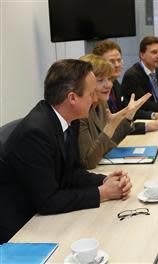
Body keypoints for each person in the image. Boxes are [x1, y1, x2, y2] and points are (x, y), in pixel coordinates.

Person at [0, 60, 132, 243]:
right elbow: (48, 201)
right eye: (91, 94)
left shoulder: (70, 119)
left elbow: (72, 172)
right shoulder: (35, 133)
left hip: (45, 215)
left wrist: (105, 180)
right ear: (72, 98)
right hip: (22, 228)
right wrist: (103, 192)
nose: (95, 100)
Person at [78, 54, 150, 169]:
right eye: (100, 80)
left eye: (110, 79)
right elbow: (89, 162)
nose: (108, 85)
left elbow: (109, 144)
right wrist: (111, 126)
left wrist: (128, 117)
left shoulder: (101, 103)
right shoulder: (80, 113)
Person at [92, 40, 158, 132]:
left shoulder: (115, 84)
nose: (117, 65)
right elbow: (111, 128)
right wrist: (151, 126)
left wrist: (154, 115)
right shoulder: (97, 93)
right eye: (111, 61)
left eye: (119, 60)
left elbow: (129, 113)